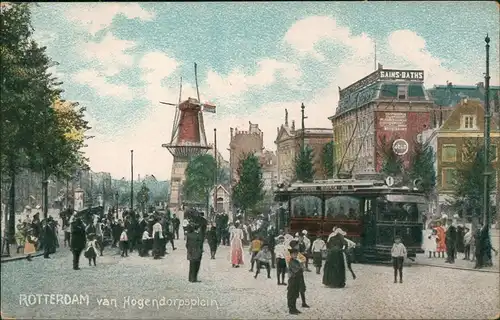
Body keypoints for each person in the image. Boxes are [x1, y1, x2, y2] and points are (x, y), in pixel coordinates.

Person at [287, 248, 307, 315]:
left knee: (295, 294)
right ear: (291, 255)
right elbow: (298, 270)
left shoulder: (296, 261)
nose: (295, 255)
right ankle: (291, 309)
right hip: (293, 279)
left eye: (296, 254)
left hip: (297, 279)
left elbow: (302, 269)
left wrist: (301, 268)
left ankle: (294, 308)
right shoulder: (291, 262)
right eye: (293, 254)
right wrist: (301, 268)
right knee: (291, 295)